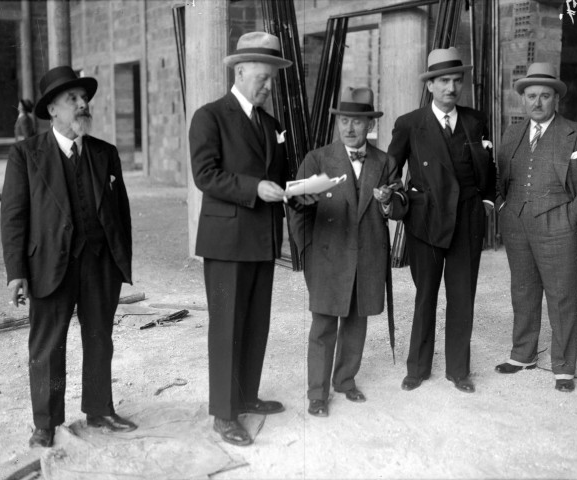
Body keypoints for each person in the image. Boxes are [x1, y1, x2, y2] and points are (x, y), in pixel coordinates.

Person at [1, 66, 137, 448]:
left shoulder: (104, 153)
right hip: (48, 265)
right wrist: (16, 273)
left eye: (84, 99)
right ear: (52, 111)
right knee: (47, 345)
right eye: (73, 100)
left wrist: (118, 261)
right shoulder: (25, 155)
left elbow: (120, 213)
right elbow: (13, 218)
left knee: (99, 339)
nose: (82, 105)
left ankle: (100, 409)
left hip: (98, 263)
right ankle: (46, 422)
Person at [190, 31, 301, 447]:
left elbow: (280, 177)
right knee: (226, 327)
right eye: (264, 77)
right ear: (240, 71)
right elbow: (206, 176)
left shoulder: (271, 124)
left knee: (255, 323)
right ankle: (223, 412)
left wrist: (300, 189)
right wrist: (255, 188)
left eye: (273, 78)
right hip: (226, 241)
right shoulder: (210, 116)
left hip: (261, 239)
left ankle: (247, 396)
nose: (270, 86)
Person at [290, 87, 405, 418]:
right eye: (344, 121)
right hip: (326, 256)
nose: (349, 128)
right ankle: (317, 393)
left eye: (357, 121)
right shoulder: (317, 159)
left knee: (357, 320)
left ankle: (345, 380)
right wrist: (307, 248)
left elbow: (398, 208)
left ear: (369, 125)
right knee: (323, 324)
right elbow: (295, 207)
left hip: (368, 254)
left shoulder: (386, 162)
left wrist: (388, 203)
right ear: (337, 122)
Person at [494, 62, 577, 392]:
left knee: (561, 296)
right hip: (517, 223)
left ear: (555, 98)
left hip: (559, 223)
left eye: (545, 96)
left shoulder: (576, 132)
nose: (537, 102)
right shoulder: (513, 132)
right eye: (531, 96)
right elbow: (500, 176)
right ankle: (523, 354)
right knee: (523, 290)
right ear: (523, 99)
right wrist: (503, 207)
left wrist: (572, 215)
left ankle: (563, 367)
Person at [387, 47, 496, 394]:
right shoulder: (409, 124)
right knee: (426, 296)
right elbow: (391, 172)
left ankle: (458, 371)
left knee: (463, 296)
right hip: (426, 221)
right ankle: (417, 369)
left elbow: (488, 170)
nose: (451, 87)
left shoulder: (475, 120)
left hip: (466, 219)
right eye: (444, 81)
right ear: (430, 85)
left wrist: (488, 203)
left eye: (456, 80)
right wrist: (393, 197)